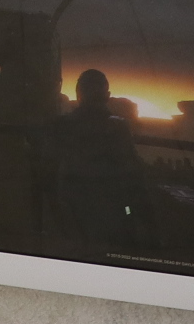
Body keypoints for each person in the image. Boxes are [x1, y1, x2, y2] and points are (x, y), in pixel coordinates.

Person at [44, 68, 147, 259]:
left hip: (72, 209)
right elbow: (132, 167)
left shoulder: (62, 125)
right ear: (107, 96)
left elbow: (49, 163)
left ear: (79, 95)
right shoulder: (118, 127)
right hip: (110, 209)